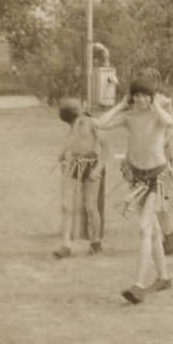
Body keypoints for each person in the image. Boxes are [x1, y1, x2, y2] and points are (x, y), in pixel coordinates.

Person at [94, 79, 173, 305]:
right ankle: (164, 277)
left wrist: (158, 105)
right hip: (138, 177)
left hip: (156, 177)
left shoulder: (157, 115)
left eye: (145, 96)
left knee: (144, 228)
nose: (140, 99)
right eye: (136, 95)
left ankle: (138, 285)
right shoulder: (129, 117)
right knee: (154, 231)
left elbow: (169, 122)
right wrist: (120, 105)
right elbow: (100, 123)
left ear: (151, 97)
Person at [53, 99, 108, 258]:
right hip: (73, 165)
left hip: (91, 165)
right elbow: (71, 141)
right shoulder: (73, 126)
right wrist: (62, 153)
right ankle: (66, 245)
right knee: (66, 205)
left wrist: (97, 169)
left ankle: (96, 241)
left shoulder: (93, 123)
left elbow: (105, 150)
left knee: (90, 206)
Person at [135, 67, 173, 254]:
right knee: (144, 199)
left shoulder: (162, 101)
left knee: (160, 199)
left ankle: (169, 238)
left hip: (161, 155)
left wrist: (163, 142)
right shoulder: (141, 102)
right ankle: (159, 236)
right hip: (144, 156)